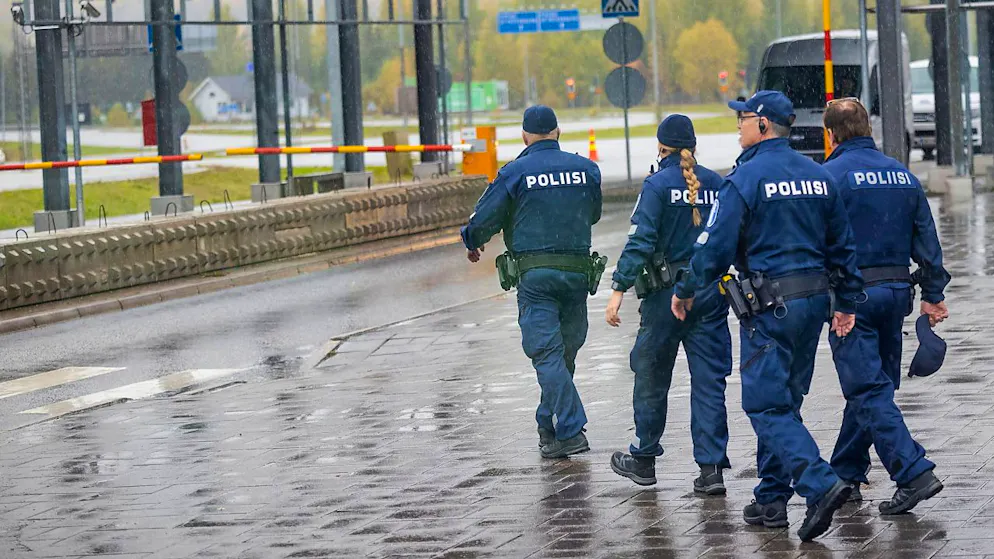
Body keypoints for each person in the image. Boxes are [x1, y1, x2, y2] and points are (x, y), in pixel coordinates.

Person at [670, 91, 864, 541]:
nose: (738, 126)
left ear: (763, 125)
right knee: (785, 401)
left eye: (743, 119)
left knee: (763, 403)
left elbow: (714, 247)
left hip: (770, 307)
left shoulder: (744, 179)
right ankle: (772, 499)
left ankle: (820, 484)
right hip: (814, 303)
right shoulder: (818, 176)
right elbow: (843, 245)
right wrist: (847, 302)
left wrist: (685, 291)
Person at [821, 98, 949, 514]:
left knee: (867, 388)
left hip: (851, 300)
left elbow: (818, 244)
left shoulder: (829, 177)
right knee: (875, 386)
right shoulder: (902, 176)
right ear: (868, 128)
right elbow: (927, 241)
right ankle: (846, 472)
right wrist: (933, 294)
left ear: (832, 134)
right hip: (896, 294)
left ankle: (912, 472)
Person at [461, 105, 603, 459]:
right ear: (558, 131)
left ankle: (570, 429)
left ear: (525, 136)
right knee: (563, 353)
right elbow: (595, 213)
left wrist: (472, 240)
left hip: (536, 277)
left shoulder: (515, 173)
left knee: (546, 353)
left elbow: (483, 219)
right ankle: (547, 426)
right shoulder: (586, 169)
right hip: (577, 273)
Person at [604, 115, 733, 494]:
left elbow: (641, 240)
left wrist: (618, 289)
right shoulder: (718, 183)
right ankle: (711, 470)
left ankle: (644, 459)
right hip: (710, 293)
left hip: (663, 296)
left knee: (651, 374)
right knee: (709, 382)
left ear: (661, 147)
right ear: (692, 145)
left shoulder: (657, 185)